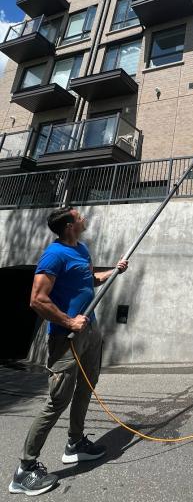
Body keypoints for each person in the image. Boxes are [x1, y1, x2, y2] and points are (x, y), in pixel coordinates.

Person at [9, 206, 128, 496]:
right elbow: (37, 299)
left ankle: (75, 443)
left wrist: (114, 271)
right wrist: (68, 321)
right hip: (66, 338)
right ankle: (24, 470)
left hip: (89, 332)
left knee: (87, 386)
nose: (84, 218)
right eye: (79, 216)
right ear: (68, 226)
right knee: (56, 401)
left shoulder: (82, 249)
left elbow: (89, 280)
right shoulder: (55, 254)